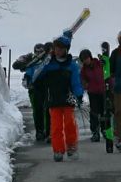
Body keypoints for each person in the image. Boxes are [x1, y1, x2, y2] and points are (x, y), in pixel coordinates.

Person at [31, 34, 84, 162]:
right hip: (53, 99)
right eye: (56, 48)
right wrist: (43, 63)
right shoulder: (48, 64)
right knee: (56, 126)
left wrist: (79, 95)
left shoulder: (71, 65)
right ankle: (58, 150)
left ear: (66, 49)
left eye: (61, 48)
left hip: (68, 99)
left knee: (69, 124)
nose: (58, 51)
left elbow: (76, 82)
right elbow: (36, 76)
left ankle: (71, 147)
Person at [13, 44, 48, 142]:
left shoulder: (47, 59)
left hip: (46, 87)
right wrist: (26, 75)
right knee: (37, 111)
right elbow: (18, 66)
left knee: (47, 110)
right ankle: (39, 131)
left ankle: (47, 130)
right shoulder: (31, 60)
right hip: (34, 88)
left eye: (41, 51)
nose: (39, 53)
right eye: (37, 51)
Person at [78, 49, 106, 143]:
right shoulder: (84, 70)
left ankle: (104, 130)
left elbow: (107, 72)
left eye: (86, 58)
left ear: (90, 57)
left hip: (103, 91)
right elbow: (82, 80)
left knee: (104, 112)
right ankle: (95, 132)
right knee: (94, 113)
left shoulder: (99, 63)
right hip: (93, 92)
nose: (85, 60)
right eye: (83, 59)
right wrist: (86, 85)